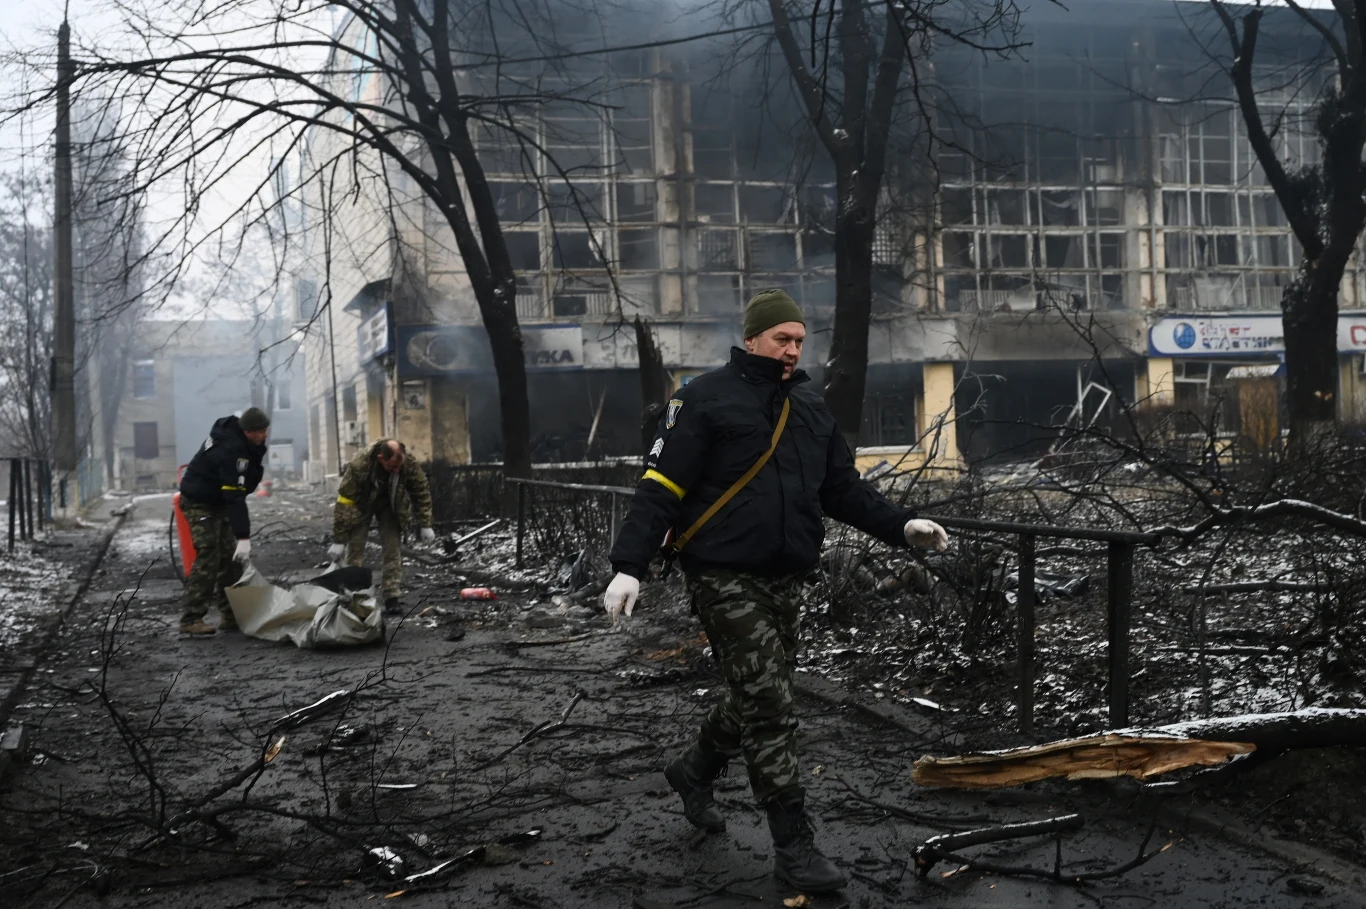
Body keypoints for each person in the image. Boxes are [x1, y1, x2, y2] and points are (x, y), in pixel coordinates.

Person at [603, 289, 949, 892]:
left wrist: (900, 526)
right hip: (722, 573)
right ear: (752, 338)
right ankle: (795, 847)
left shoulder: (810, 407)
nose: (792, 350)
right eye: (781, 339)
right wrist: (629, 564)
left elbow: (841, 489)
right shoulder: (702, 398)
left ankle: (693, 770)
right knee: (768, 702)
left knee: (757, 693)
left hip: (786, 577)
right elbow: (660, 487)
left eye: (799, 340)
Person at [178, 406, 271, 635]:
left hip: (218, 501)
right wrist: (243, 537)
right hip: (199, 502)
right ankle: (191, 618)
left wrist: (239, 540)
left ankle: (230, 615)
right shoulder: (232, 451)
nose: (265, 435)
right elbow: (235, 498)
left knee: (231, 558)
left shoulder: (243, 442)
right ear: (248, 432)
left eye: (265, 430)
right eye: (260, 432)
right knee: (209, 553)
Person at [327, 439, 434, 613]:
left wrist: (425, 524)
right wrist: (339, 539)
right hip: (361, 504)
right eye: (392, 466)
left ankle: (392, 597)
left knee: (392, 549)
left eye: (399, 466)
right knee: (355, 548)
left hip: (390, 505)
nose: (396, 470)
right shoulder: (359, 465)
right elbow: (345, 501)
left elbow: (421, 491)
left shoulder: (407, 463)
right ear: (380, 458)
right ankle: (355, 596)